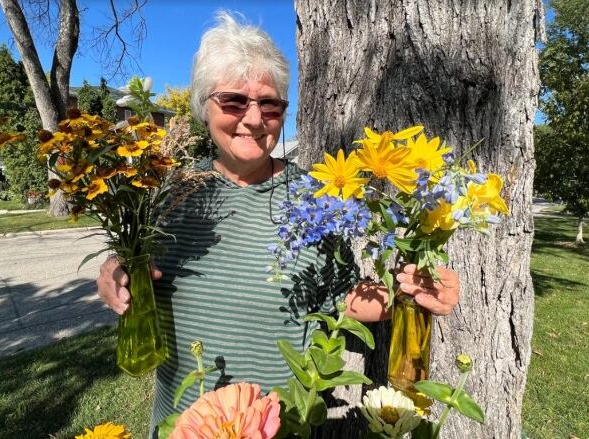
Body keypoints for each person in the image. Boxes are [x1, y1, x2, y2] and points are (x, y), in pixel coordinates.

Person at [96, 11, 460, 435]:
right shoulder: (166, 192)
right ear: (203, 107)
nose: (254, 119)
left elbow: (341, 298)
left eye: (269, 103)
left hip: (280, 424)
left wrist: (410, 293)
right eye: (233, 101)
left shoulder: (316, 198)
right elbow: (133, 268)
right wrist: (111, 272)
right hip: (184, 427)